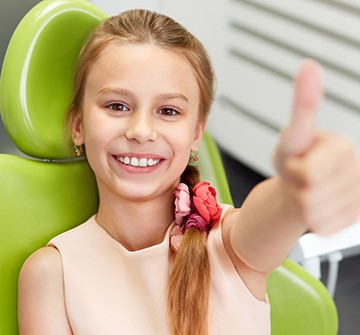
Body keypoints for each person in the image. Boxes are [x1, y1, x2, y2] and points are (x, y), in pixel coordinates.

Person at [18, 9, 360, 335]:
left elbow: (268, 221)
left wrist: (294, 194)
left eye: (168, 110)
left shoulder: (228, 244)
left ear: (196, 134)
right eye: (117, 106)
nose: (141, 130)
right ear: (78, 126)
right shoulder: (51, 275)